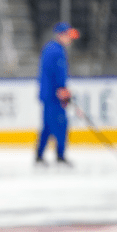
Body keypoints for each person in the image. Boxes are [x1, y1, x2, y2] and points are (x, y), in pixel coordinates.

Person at [35, 22, 80, 166]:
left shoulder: (52, 49)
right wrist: (61, 89)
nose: (70, 39)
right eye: (68, 35)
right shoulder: (56, 51)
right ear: (61, 35)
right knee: (61, 124)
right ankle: (59, 155)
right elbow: (54, 75)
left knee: (48, 125)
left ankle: (39, 155)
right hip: (53, 96)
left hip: (49, 94)